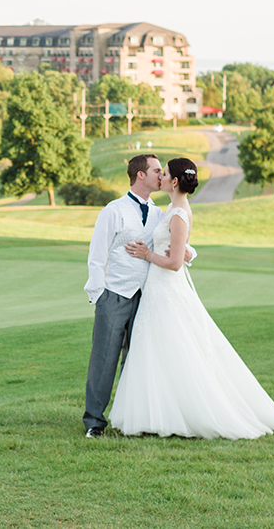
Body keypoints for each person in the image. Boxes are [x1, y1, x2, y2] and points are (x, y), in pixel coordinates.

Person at [109, 158, 274, 439]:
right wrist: (186, 250)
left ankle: (185, 413)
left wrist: (148, 255)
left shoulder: (179, 213)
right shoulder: (171, 209)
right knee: (157, 350)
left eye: (164, 173)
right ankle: (157, 413)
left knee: (175, 347)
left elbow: (174, 263)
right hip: (157, 289)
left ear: (174, 182)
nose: (159, 176)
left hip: (167, 288)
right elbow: (178, 246)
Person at [82, 154, 193, 438]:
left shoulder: (160, 213)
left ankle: (133, 419)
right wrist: (99, 295)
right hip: (115, 295)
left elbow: (180, 245)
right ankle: (94, 422)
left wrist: (188, 253)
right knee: (104, 359)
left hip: (148, 296)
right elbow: (97, 257)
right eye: (157, 170)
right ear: (141, 175)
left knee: (138, 361)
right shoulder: (113, 210)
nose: (162, 175)